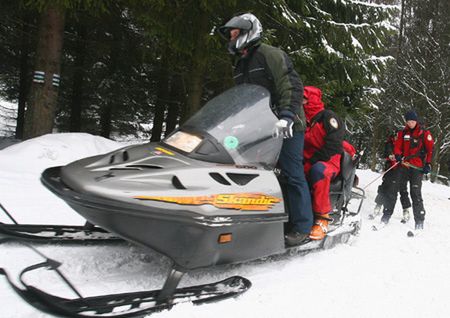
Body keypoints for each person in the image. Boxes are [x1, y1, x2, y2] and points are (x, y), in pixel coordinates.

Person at [219, 13, 313, 246]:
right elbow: (242, 100)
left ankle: (302, 227)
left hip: (287, 125)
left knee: (291, 173)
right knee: (248, 170)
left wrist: (287, 116)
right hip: (260, 127)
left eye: (235, 32)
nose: (231, 37)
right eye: (230, 34)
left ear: (248, 31)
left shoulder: (269, 54)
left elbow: (291, 84)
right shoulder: (240, 65)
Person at [302, 86, 345, 240]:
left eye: (304, 98)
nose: (301, 102)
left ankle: (322, 218)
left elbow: (334, 144)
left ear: (312, 99)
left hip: (328, 160)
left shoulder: (328, 117)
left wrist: (312, 161)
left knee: (318, 171)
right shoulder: (301, 119)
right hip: (306, 159)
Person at [380, 110, 434, 230]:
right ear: (406, 121)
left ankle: (419, 221)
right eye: (409, 121)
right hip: (403, 166)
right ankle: (386, 215)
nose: (411, 123)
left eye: (413, 121)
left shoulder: (424, 133)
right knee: (393, 189)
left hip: (417, 168)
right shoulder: (402, 133)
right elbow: (398, 146)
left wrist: (428, 163)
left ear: (416, 121)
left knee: (415, 193)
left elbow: (430, 150)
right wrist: (398, 155)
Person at [371, 130, 412, 222]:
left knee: (403, 189)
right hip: (391, 168)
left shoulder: (406, 143)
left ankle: (406, 210)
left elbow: (409, 155)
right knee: (384, 187)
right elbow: (386, 152)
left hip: (402, 170)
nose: (397, 138)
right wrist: (390, 155)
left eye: (399, 136)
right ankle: (379, 205)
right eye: (396, 136)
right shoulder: (389, 142)